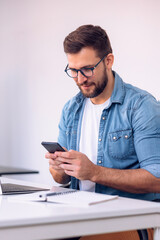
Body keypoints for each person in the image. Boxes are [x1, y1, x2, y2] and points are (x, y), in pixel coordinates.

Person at [45, 25, 160, 240]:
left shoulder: (141, 106)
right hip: (77, 216)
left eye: (87, 69)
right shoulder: (71, 109)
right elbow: (61, 179)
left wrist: (95, 172)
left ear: (108, 61)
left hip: (127, 220)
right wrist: (58, 169)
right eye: (73, 71)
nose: (80, 79)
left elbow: (157, 179)